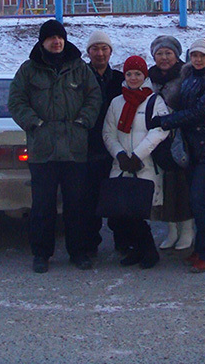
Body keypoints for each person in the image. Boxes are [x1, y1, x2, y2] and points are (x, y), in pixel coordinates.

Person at [8, 19, 101, 273]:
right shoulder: (28, 70)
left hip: (74, 149)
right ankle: (41, 254)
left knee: (76, 205)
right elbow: (16, 102)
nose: (56, 42)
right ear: (42, 41)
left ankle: (79, 252)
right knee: (43, 206)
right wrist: (34, 123)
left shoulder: (79, 68)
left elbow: (94, 98)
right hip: (43, 150)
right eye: (51, 38)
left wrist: (83, 121)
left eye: (59, 37)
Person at [149, 38, 205, 273]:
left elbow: (200, 112)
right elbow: (180, 103)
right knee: (197, 201)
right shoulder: (189, 77)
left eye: (202, 55)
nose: (198, 59)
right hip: (193, 149)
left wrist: (166, 121)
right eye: (194, 55)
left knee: (201, 202)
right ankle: (201, 249)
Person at [102, 56, 170, 269]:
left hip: (144, 164)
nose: (133, 78)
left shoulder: (154, 101)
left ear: (144, 76)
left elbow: (160, 130)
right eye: (129, 74)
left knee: (136, 213)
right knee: (118, 214)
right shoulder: (116, 102)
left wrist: (137, 156)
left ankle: (147, 251)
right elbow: (108, 133)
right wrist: (120, 155)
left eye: (137, 74)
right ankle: (135, 249)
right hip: (121, 165)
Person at [147, 35, 194, 251]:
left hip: (180, 138)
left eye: (168, 53)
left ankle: (187, 229)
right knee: (164, 186)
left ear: (177, 55)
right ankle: (172, 230)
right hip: (157, 139)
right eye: (159, 53)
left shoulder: (186, 76)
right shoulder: (150, 78)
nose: (164, 57)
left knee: (181, 186)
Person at [82, 30, 127, 256]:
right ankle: (89, 248)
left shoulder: (121, 80)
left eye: (104, 49)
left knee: (117, 200)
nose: (100, 53)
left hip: (116, 148)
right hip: (87, 148)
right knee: (89, 203)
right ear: (88, 52)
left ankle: (123, 244)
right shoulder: (79, 78)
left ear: (110, 52)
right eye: (95, 49)